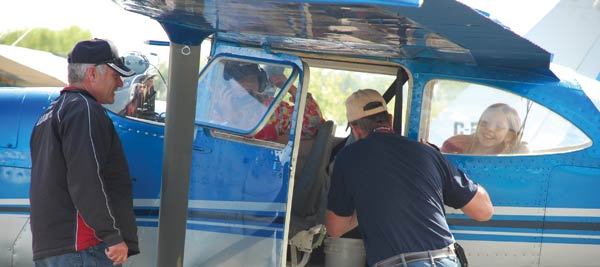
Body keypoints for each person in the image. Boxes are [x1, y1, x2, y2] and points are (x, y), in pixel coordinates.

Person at [326, 89, 493, 267]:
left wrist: (367, 202)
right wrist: (443, 162)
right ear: (389, 119)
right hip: (445, 259)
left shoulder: (348, 157)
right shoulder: (428, 153)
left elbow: (335, 229)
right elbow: (484, 211)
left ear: (355, 129)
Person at [29, 38, 139, 267]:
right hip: (82, 247)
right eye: (115, 75)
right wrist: (111, 235)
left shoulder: (48, 114)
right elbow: (86, 177)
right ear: (92, 74)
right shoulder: (84, 109)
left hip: (52, 248)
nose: (119, 84)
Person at [221, 61, 325, 143]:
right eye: (239, 81)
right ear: (228, 86)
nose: (246, 85)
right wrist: (229, 117)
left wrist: (291, 88)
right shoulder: (215, 107)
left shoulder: (273, 108)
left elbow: (314, 124)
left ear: (260, 82)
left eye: (251, 80)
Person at [441, 103, 527, 154]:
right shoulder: (455, 145)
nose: (489, 128)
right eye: (484, 123)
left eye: (498, 127)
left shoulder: (514, 157)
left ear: (509, 135)